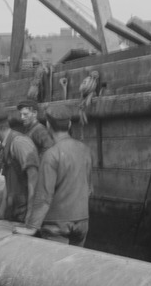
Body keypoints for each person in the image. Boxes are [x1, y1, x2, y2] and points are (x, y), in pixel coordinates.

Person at [15, 104, 93, 246]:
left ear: (48, 124)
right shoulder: (85, 150)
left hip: (57, 225)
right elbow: (89, 189)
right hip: (82, 222)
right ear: (69, 124)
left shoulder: (51, 154)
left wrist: (32, 227)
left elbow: (44, 196)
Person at [0, 107, 39, 224]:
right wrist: (0, 215)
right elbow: (8, 184)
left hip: (25, 215)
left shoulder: (19, 143)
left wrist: (30, 217)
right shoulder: (5, 146)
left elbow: (34, 178)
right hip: (16, 214)